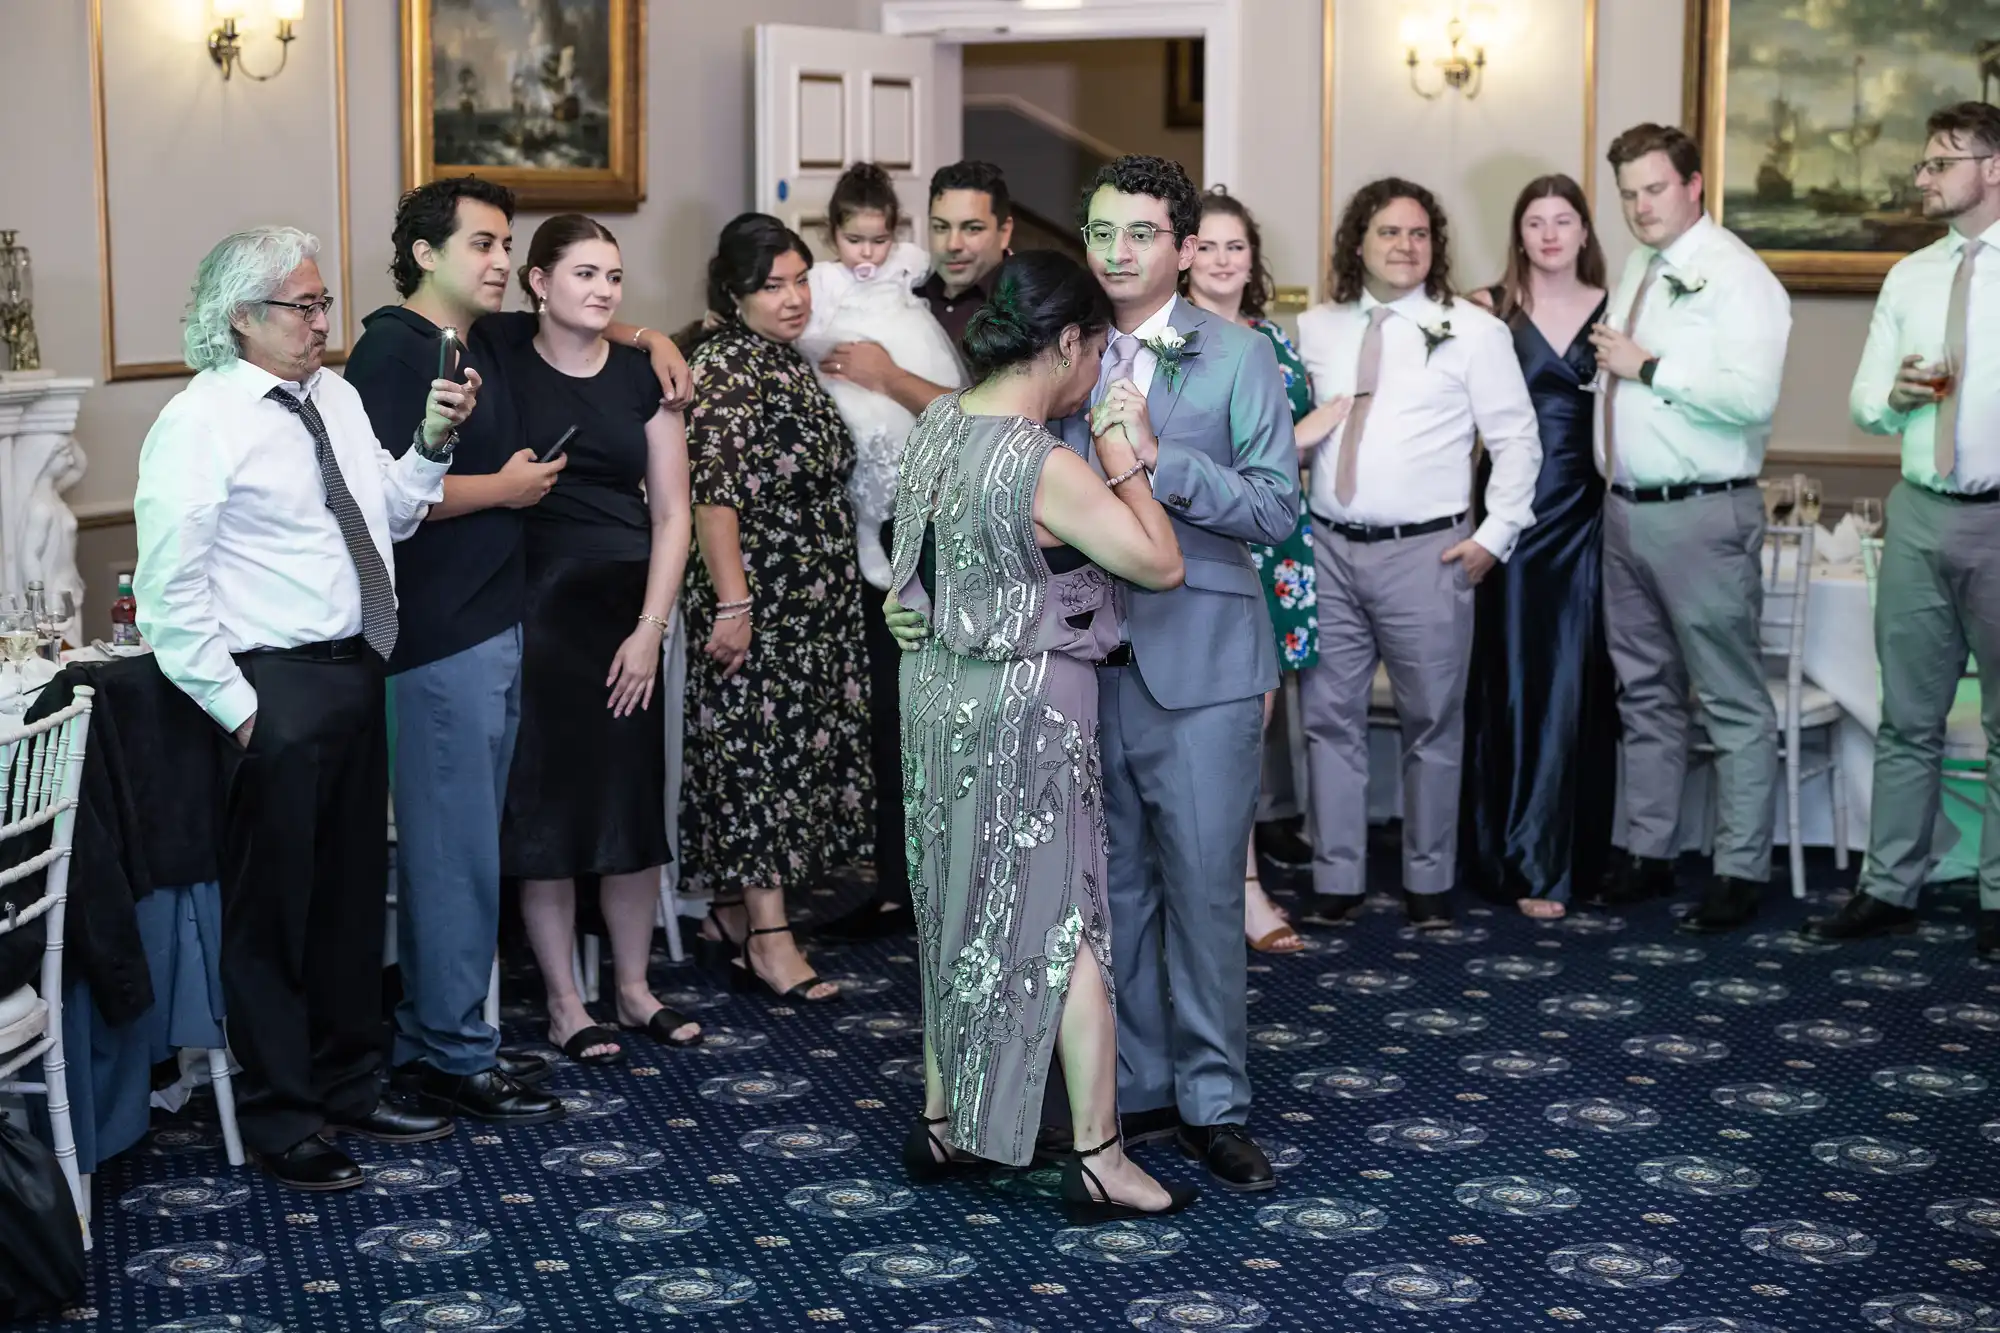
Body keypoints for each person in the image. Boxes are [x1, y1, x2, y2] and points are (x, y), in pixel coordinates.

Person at [900, 156, 1301, 1190]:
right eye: (1102, 232)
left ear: (1180, 244)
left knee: (1204, 890)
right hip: (1065, 666)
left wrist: (1160, 459)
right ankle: (1115, 1099)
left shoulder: (1238, 355)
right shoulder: (1045, 338)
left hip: (1196, 659)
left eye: (1140, 234)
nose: (1119, 252)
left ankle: (1214, 1099)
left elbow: (1274, 509)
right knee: (1091, 899)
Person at [135, 226, 475, 1189]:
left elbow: (393, 517)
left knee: (346, 898)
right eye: (302, 305)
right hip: (270, 686)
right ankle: (285, 1117)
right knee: (273, 914)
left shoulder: (338, 395)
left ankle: (349, 1083)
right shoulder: (201, 420)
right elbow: (169, 593)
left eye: (325, 301)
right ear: (242, 317)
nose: (323, 321)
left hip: (356, 669)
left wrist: (432, 443)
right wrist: (241, 710)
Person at [894, 249, 1194, 1223]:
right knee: (1066, 923)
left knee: (954, 901)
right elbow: (1157, 564)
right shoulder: (1042, 460)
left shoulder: (937, 423)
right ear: (1065, 342)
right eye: (1093, 353)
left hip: (936, 693)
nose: (1092, 374)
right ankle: (1101, 1154)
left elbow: (909, 565)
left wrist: (925, 614)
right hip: (1026, 702)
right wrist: (1127, 460)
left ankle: (947, 1118)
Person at [342, 176, 563, 1126]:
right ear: (425, 254)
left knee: (467, 848)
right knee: (450, 854)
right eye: (482, 244)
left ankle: (445, 1037)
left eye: (507, 245)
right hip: (436, 635)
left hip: (490, 619)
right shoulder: (391, 351)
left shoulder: (476, 340)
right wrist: (504, 491)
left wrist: (654, 338)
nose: (502, 261)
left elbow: (598, 325)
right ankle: (451, 1053)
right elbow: (384, 500)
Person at [1294, 179, 1541, 931]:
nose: (1405, 246)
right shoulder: (1315, 327)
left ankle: (1428, 878)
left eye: (1418, 234)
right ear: (1357, 244)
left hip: (1430, 554)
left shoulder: (1473, 330)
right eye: (1387, 233)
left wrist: (1492, 539)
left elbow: (1517, 441)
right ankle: (1337, 874)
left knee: (1432, 720)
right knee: (1326, 718)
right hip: (1328, 549)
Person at [498, 215, 699, 1063]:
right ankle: (562, 1000)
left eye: (614, 277)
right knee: (546, 813)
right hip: (537, 613)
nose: (604, 291)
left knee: (628, 806)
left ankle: (632, 986)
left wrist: (652, 627)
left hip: (630, 612)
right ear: (538, 281)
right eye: (584, 273)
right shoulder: (502, 355)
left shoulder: (636, 377)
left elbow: (674, 511)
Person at [1808, 100, 2000, 960]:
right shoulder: (1910, 276)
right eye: (1924, 163)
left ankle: (1998, 895)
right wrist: (1892, 399)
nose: (1922, 176)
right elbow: (1859, 401)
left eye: (1940, 161)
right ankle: (1889, 886)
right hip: (1920, 513)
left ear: (1991, 169)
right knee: (1907, 718)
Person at [1590, 122, 1790, 934]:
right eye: (1629, 193)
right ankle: (1648, 850)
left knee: (1732, 699)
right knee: (1644, 693)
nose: (1640, 207)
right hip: (1626, 509)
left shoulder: (1740, 277)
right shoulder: (1641, 262)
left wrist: (1649, 366)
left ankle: (1741, 869)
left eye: (1655, 189)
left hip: (1704, 511)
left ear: (1694, 184)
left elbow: (1754, 398)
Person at [815, 159, 1016, 945]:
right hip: (892, 523)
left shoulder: (1016, 304)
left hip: (978, 533)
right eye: (942, 227)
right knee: (895, 709)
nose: (953, 243)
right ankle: (902, 884)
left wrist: (890, 377)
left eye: (971, 227)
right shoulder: (914, 289)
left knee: (970, 707)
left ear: (1003, 229)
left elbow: (994, 419)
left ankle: (978, 880)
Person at [682, 213, 870, 1002]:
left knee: (786, 755)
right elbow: (713, 496)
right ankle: (768, 935)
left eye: (800, 280)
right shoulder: (729, 365)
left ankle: (732, 910)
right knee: (759, 758)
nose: (793, 298)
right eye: (773, 285)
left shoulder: (781, 359)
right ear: (734, 292)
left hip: (810, 594)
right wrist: (735, 602)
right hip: (759, 593)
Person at [1179, 187, 1349, 954]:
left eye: (1235, 247)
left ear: (1254, 258)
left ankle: (1240, 883)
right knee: (1195, 728)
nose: (1222, 260)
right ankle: (1208, 891)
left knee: (1252, 727)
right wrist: (1306, 431)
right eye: (1208, 245)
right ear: (1184, 254)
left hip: (1276, 551)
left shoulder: (1275, 342)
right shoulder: (1164, 342)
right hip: (1201, 546)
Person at [1460, 174, 1618, 920]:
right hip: (1510, 522)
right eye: (1535, 222)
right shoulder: (1485, 309)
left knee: (1576, 687)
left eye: (1564, 220)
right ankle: (1510, 855)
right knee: (1514, 679)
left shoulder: (1619, 311)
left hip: (1589, 518)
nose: (1550, 234)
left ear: (1585, 231)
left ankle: (1566, 858)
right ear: (1518, 233)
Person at [798, 163, 965, 588]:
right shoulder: (825, 278)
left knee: (922, 438)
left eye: (880, 240)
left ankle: (926, 519)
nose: (869, 253)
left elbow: (938, 268)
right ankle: (867, 529)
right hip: (850, 375)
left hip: (910, 361)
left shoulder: (906, 263)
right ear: (832, 233)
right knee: (866, 436)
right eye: (855, 241)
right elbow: (807, 329)